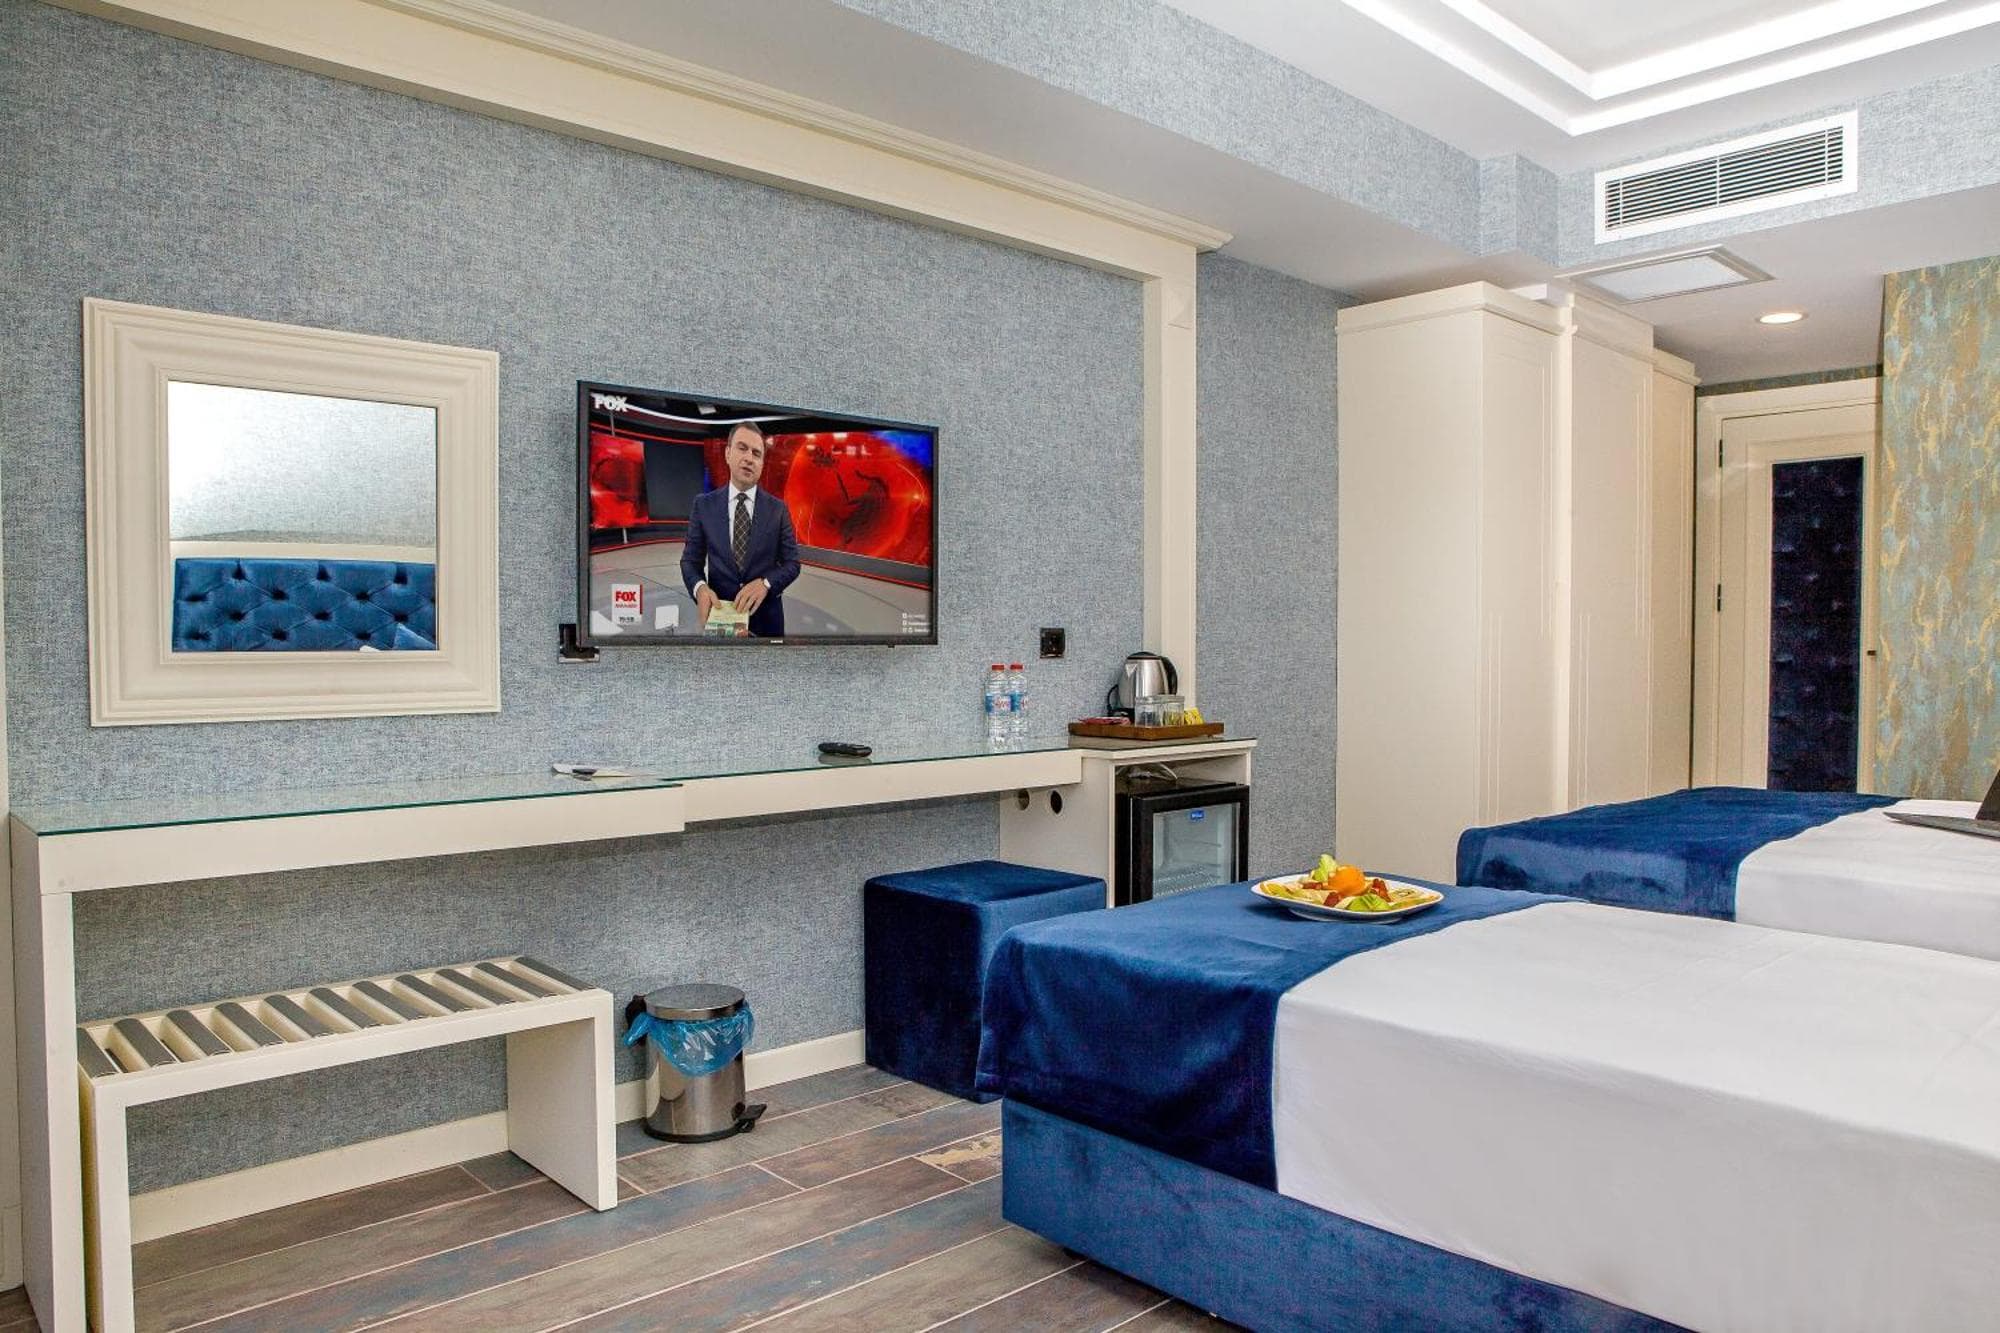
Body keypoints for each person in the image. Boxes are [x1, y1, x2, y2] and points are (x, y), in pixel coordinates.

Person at [680, 421, 800, 636]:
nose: (749, 458)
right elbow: (690, 561)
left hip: (767, 622)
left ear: (762, 463)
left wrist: (766, 583)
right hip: (721, 620)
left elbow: (792, 563)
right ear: (727, 453)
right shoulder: (703, 505)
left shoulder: (778, 509)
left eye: (756, 453)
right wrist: (700, 589)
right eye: (742, 448)